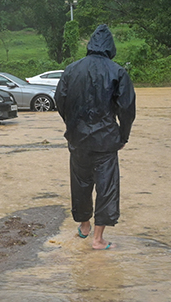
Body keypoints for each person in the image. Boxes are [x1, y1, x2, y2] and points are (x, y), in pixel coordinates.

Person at [54, 24, 136, 250]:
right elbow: (127, 109)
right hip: (106, 141)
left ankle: (84, 226)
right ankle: (98, 239)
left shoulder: (71, 70)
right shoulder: (117, 72)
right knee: (106, 187)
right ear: (110, 47)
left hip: (78, 139)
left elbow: (60, 100)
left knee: (80, 183)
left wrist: (72, 125)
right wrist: (123, 136)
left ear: (90, 45)